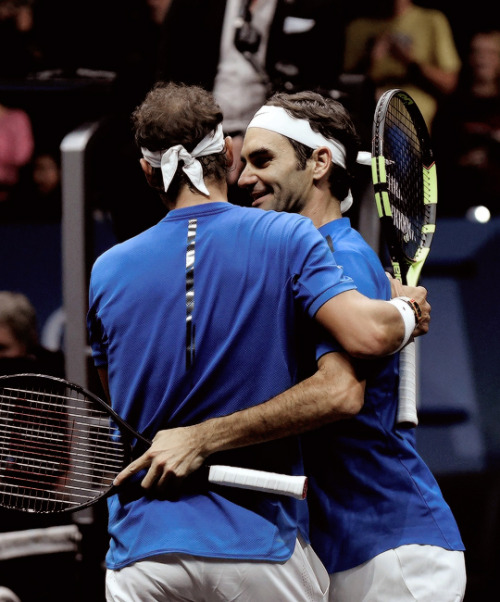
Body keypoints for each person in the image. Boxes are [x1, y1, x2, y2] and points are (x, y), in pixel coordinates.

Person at [88, 81, 429, 601]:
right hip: (258, 546)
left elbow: (120, 405)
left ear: (145, 171)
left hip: (140, 554)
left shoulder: (106, 271)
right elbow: (364, 339)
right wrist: (407, 310)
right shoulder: (287, 237)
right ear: (226, 152)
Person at [343, 0, 461, 131]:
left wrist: (410, 62)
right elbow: (346, 84)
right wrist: (369, 59)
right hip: (368, 113)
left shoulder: (432, 20)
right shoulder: (358, 27)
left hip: (411, 122)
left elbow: (449, 83)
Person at [432, 29, 500, 218]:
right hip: (460, 202)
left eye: (490, 53)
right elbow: (439, 154)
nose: (482, 59)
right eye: (477, 52)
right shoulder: (452, 105)